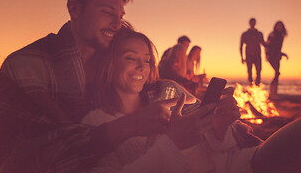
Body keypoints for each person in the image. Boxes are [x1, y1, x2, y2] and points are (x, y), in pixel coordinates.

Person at [0, 0, 142, 172]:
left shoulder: (113, 64)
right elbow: (14, 151)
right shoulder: (25, 65)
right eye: (108, 12)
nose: (117, 23)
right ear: (74, 9)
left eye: (120, 16)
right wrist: (128, 127)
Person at [82, 28, 262, 172]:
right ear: (109, 64)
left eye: (146, 60)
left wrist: (218, 128)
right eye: (130, 58)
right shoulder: (96, 124)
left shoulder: (168, 95)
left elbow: (213, 150)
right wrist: (172, 143)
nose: (141, 67)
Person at [265, 21, 288, 97]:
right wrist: (267, 54)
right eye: (278, 26)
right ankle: (272, 91)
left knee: (277, 74)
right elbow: (267, 45)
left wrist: (284, 54)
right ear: (275, 26)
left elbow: (278, 48)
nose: (279, 27)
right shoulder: (272, 34)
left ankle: (274, 92)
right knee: (277, 72)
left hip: (277, 57)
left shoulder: (281, 36)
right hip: (271, 56)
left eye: (281, 26)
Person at [240, 18, 265, 86]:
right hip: (248, 55)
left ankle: (257, 85)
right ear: (249, 23)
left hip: (257, 55)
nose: (253, 23)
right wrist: (242, 57)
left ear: (255, 23)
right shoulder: (245, 34)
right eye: (251, 22)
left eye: (254, 22)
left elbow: (264, 44)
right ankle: (250, 86)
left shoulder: (259, 34)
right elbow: (241, 46)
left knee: (259, 71)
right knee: (249, 72)